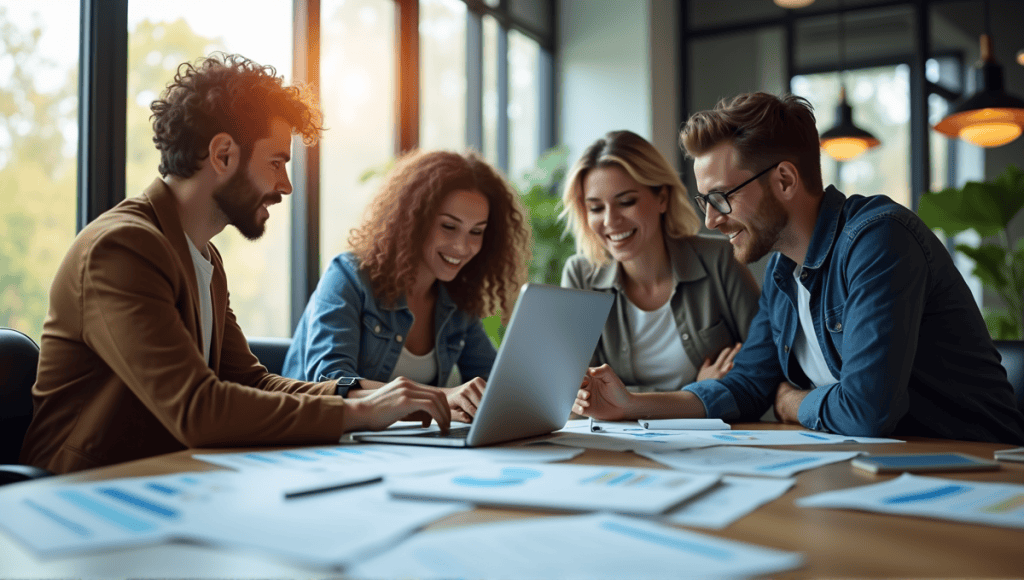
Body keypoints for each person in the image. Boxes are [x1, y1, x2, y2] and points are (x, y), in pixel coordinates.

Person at [21, 53, 452, 475]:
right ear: (224, 154)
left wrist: (371, 397)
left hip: (165, 482)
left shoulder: (202, 255)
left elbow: (252, 382)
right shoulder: (121, 249)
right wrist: (359, 413)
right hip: (81, 498)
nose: (285, 186)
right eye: (277, 162)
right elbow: (198, 410)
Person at [574, 92, 1024, 444]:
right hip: (887, 468)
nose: (710, 220)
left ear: (784, 180)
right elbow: (748, 385)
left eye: (720, 198)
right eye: (704, 202)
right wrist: (630, 404)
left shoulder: (878, 241)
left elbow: (866, 412)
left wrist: (792, 402)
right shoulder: (782, 272)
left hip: (980, 466)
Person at [282, 149, 531, 423]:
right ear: (412, 221)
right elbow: (329, 384)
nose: (463, 246)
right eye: (449, 226)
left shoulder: (457, 300)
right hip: (321, 442)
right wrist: (441, 397)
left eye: (477, 232)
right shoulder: (349, 276)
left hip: (401, 450)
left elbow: (493, 381)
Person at [560, 130, 760, 395]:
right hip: (619, 436)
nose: (610, 221)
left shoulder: (721, 260)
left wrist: (627, 398)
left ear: (662, 198)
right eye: (596, 208)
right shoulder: (580, 276)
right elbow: (580, 391)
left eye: (626, 202)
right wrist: (693, 391)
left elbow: (761, 368)